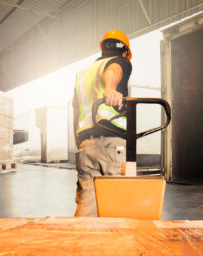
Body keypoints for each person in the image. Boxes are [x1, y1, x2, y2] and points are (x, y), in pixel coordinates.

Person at [72, 30, 132, 217]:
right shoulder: (120, 62)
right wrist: (111, 88)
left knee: (87, 207)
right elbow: (114, 70)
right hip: (111, 144)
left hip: (85, 145)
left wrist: (79, 144)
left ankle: (83, 244)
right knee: (117, 206)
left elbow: (75, 110)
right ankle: (115, 246)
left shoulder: (83, 74)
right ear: (125, 52)